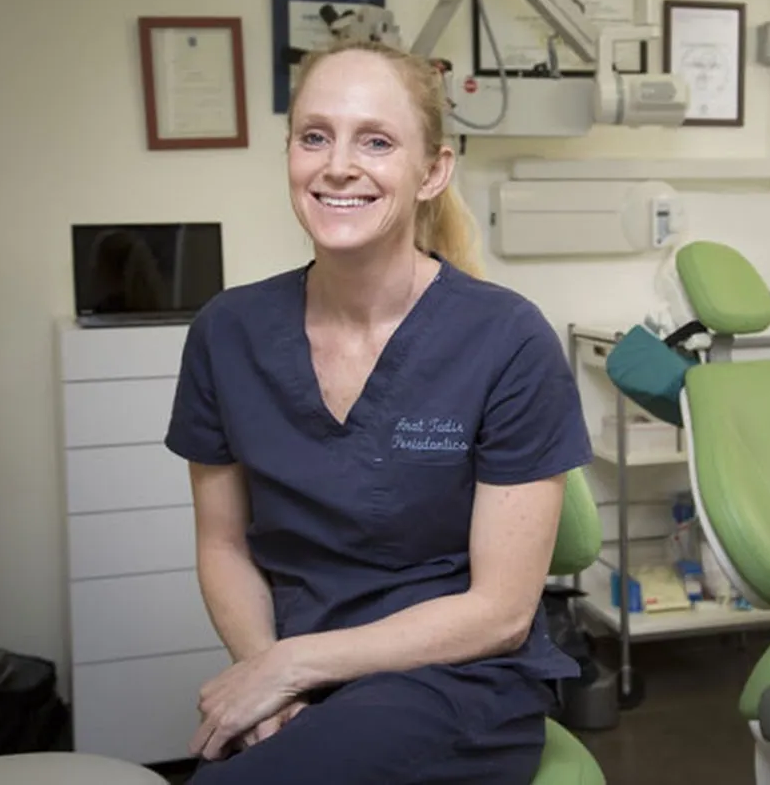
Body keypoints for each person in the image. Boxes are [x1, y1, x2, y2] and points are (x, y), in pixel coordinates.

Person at [163, 38, 594, 784]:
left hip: (455, 678)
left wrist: (290, 666)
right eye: (314, 136)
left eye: (377, 141)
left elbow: (500, 612)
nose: (338, 165)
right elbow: (223, 544)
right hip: (304, 671)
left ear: (433, 171)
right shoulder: (227, 332)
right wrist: (267, 674)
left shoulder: (506, 339)